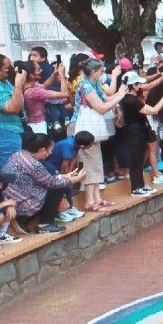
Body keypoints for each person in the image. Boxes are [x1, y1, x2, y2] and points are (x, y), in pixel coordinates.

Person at [70, 58, 127, 211]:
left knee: (95, 162)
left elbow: (106, 99)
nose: (103, 74)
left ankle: (97, 198)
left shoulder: (94, 84)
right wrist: (120, 96)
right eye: (101, 72)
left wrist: (119, 94)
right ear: (94, 72)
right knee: (88, 163)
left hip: (90, 128)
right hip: (83, 128)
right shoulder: (86, 86)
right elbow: (101, 107)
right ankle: (90, 201)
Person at [3, 133, 86, 234]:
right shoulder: (34, 164)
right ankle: (45, 224)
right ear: (42, 150)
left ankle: (27, 219)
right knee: (58, 187)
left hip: (12, 197)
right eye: (50, 149)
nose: (51, 153)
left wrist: (66, 176)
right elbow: (52, 183)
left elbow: (44, 178)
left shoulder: (19, 154)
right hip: (21, 204)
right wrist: (76, 179)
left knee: (58, 181)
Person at [120, 71, 163, 197]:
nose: (140, 86)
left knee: (139, 159)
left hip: (139, 131)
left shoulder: (129, 99)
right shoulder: (130, 100)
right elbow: (153, 110)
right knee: (136, 160)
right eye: (138, 84)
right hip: (134, 132)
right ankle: (136, 188)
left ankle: (140, 185)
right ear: (134, 85)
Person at [0, 53, 27, 168]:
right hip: (3, 133)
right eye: (7, 67)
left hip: (13, 131)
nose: (11, 69)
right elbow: (13, 108)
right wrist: (18, 85)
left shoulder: (4, 83)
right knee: (10, 171)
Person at [42, 130, 94, 222]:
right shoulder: (68, 145)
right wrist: (65, 176)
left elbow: (73, 158)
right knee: (63, 186)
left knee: (68, 186)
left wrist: (70, 173)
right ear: (83, 145)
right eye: (90, 145)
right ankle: (61, 212)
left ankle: (69, 207)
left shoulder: (76, 143)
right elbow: (64, 164)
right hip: (51, 167)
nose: (91, 146)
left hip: (58, 167)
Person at [21, 60, 70, 134]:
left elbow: (44, 86)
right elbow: (65, 94)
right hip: (37, 126)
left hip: (36, 123)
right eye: (38, 70)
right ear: (31, 76)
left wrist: (55, 74)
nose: (41, 70)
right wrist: (62, 75)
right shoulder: (33, 92)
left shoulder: (30, 86)